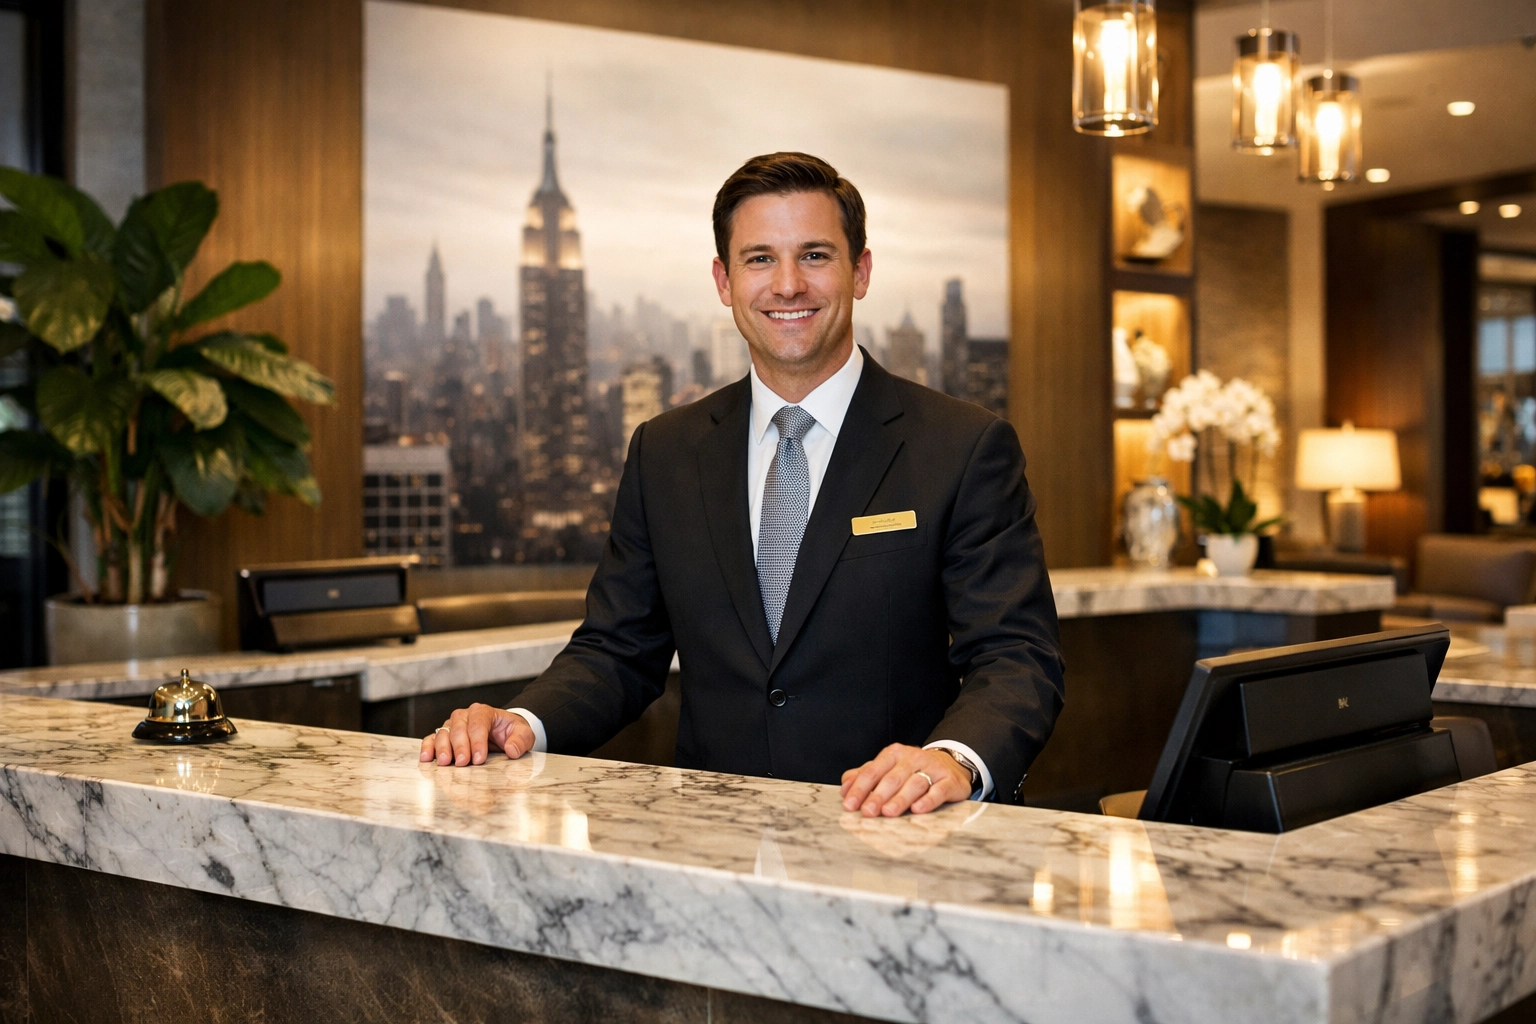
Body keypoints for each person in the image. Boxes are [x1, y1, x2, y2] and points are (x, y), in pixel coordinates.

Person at [421, 152, 1065, 816]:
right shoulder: (664, 451)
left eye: (815, 255)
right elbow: (618, 648)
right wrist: (526, 720)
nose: (787, 285)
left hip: (894, 836)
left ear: (861, 271)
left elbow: (1016, 658)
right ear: (724, 281)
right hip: (714, 843)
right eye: (760, 259)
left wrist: (952, 760)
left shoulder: (961, 446)